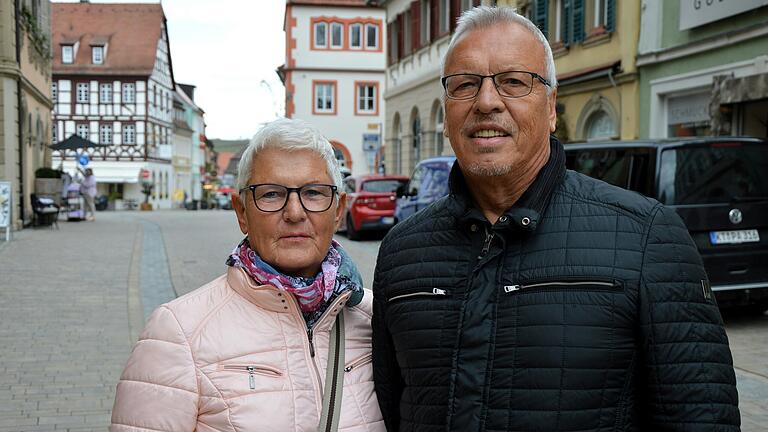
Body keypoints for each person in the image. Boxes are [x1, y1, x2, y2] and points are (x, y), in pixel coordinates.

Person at [372, 6, 739, 432]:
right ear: (447, 111)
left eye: (513, 82)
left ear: (550, 108)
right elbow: (391, 407)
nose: (486, 102)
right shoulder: (403, 250)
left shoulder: (647, 237)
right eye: (465, 84)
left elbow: (701, 417)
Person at [111, 118, 384, 431]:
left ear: (338, 211)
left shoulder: (377, 321)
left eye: (313, 193)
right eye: (270, 194)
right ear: (241, 212)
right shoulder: (179, 333)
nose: (295, 212)